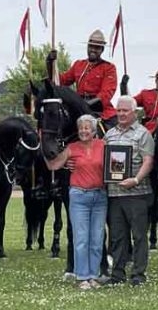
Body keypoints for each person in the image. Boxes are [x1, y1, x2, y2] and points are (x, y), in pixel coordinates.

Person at [44, 114, 107, 290]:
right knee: (81, 238)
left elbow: (116, 164)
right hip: (79, 196)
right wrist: (43, 148)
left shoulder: (104, 145)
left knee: (97, 238)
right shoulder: (71, 148)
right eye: (81, 128)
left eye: (87, 128)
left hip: (100, 196)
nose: (83, 131)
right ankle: (82, 277)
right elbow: (53, 165)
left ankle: (94, 275)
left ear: (94, 130)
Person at [103, 96, 154, 286]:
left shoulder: (143, 134)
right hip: (115, 194)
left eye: (125, 110)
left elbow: (148, 160)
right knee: (117, 236)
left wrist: (136, 179)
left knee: (139, 236)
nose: (121, 114)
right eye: (119, 110)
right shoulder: (109, 134)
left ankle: (138, 275)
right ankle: (117, 274)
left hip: (137, 194)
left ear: (135, 112)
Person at [47, 30, 117, 125]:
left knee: (114, 129)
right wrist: (50, 64)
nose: (93, 50)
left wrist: (86, 105)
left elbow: (106, 94)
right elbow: (61, 81)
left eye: (97, 47)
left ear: (102, 50)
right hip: (77, 106)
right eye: (91, 46)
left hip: (99, 109)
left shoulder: (108, 68)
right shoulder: (78, 65)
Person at [133, 66, 158, 134]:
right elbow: (130, 103)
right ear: (156, 80)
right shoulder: (145, 94)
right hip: (150, 129)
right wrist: (124, 87)